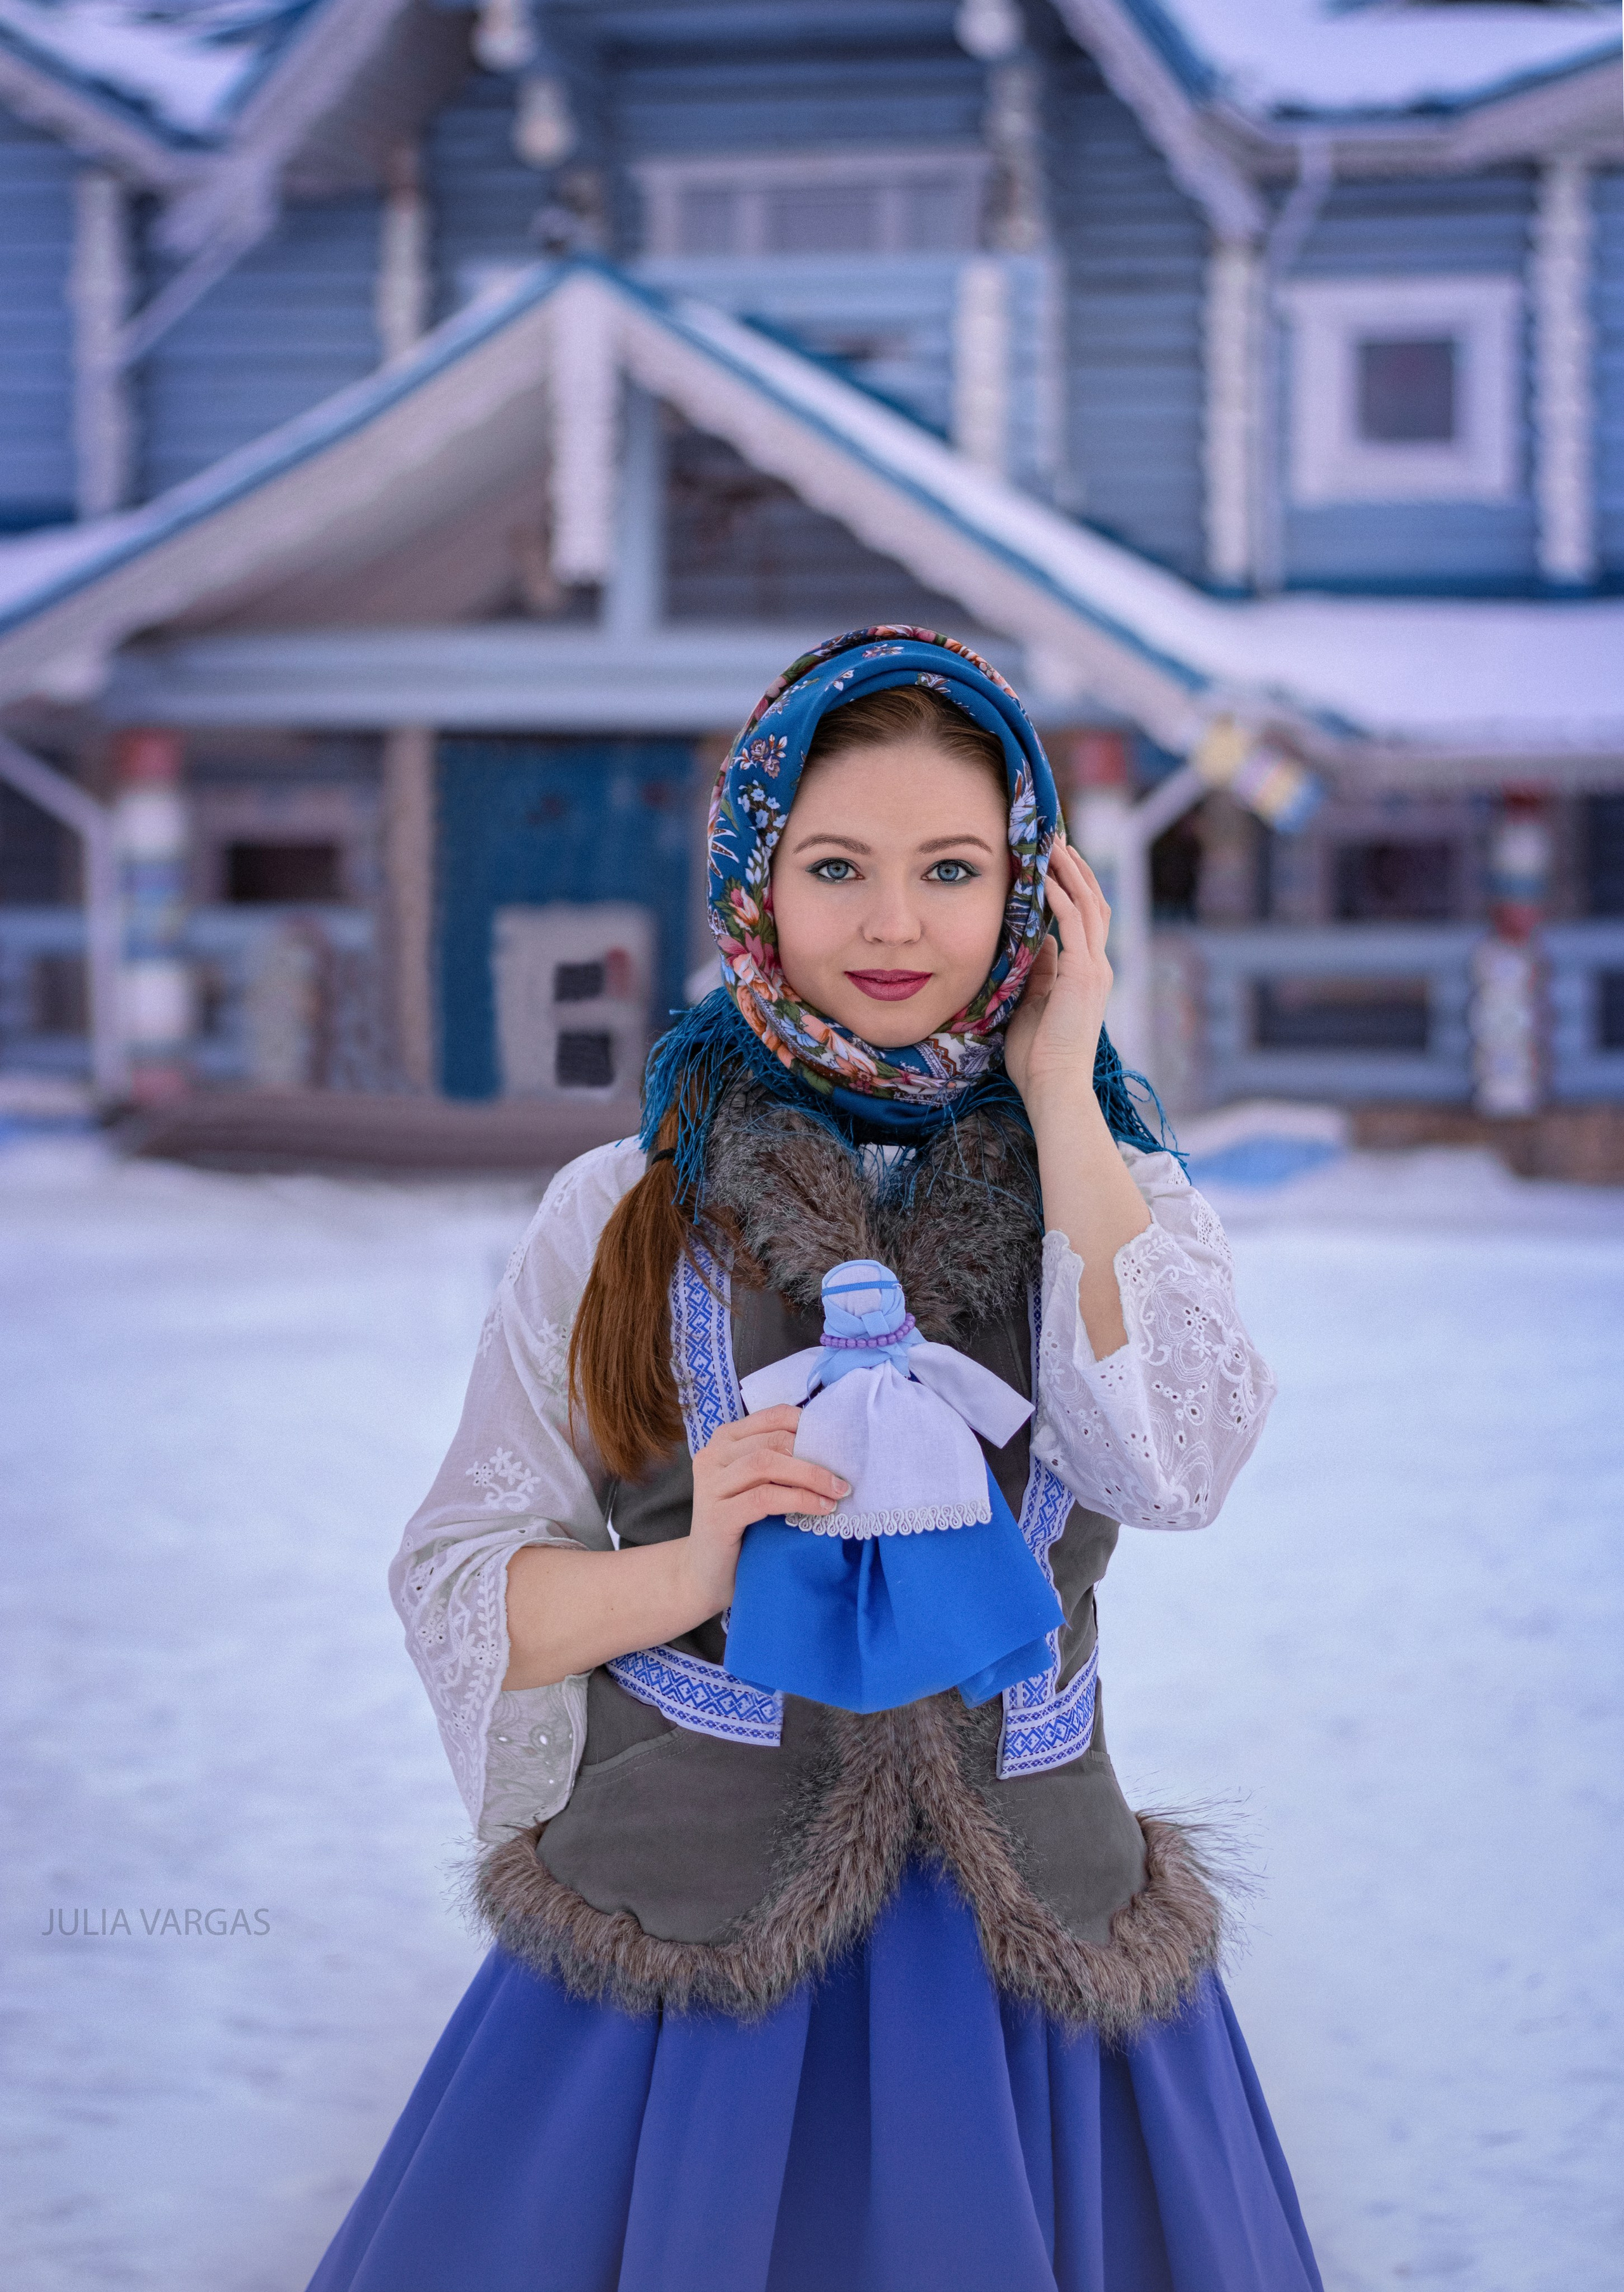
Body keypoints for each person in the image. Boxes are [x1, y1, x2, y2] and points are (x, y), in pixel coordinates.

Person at [306, 628, 1321, 2292]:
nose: (897, 922)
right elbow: (458, 1579)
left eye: (954, 866)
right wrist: (690, 1570)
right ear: (752, 872)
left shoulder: (1118, 1186)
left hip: (1035, 1990)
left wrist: (1068, 1098)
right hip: (689, 1996)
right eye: (836, 864)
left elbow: (1177, 1464)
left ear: (1035, 890)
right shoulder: (621, 1211)